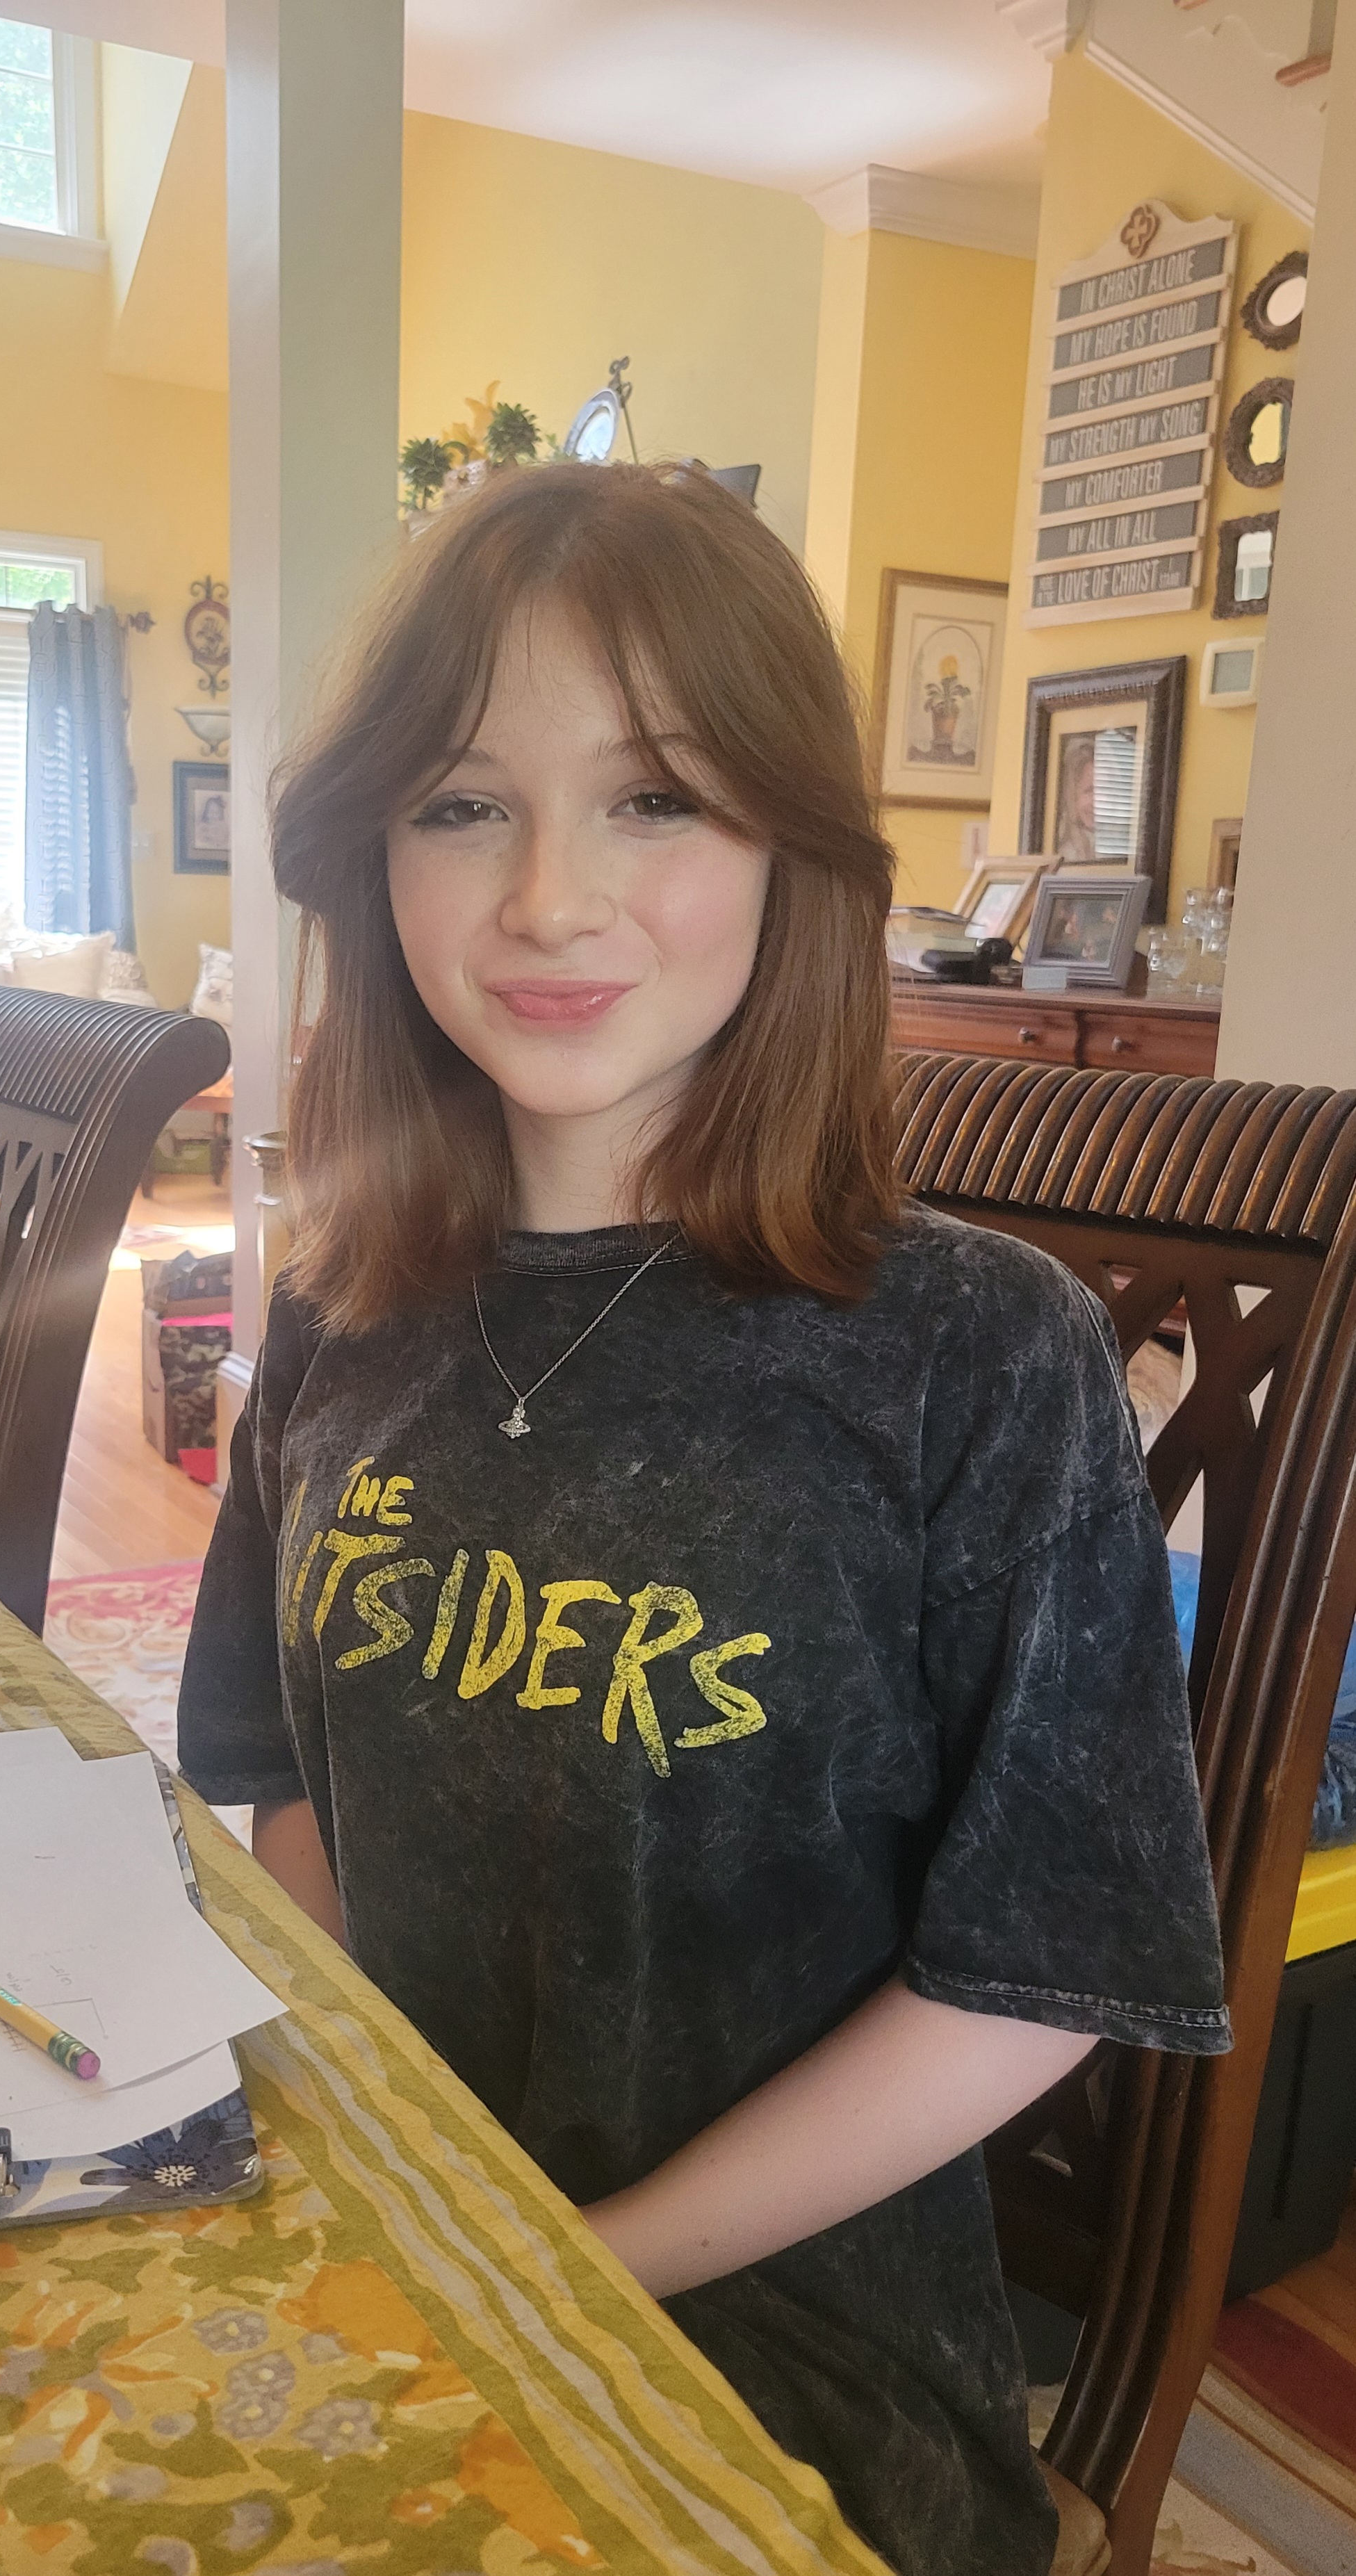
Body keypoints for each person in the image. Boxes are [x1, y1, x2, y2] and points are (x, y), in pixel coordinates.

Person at [176, 462, 1227, 2576]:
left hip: (783, 2367)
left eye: (654, 797)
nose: (549, 898)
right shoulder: (342, 1309)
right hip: (405, 2233)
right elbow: (282, 1782)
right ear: (373, 856)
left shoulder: (974, 1356)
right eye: (463, 803)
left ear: (789, 849)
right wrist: (383, 2176)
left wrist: (554, 2266)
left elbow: (1038, 1973)